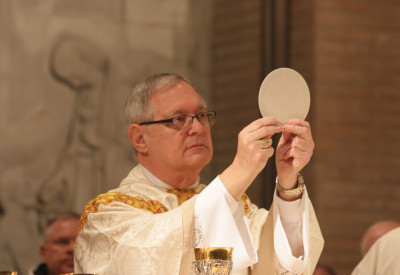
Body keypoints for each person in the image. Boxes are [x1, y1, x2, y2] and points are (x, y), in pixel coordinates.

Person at [74, 73, 324, 274]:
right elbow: (153, 256)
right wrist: (240, 170)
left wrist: (288, 180)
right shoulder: (108, 217)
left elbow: (284, 266)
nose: (196, 127)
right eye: (178, 119)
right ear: (140, 139)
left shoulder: (239, 209)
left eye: (201, 115)